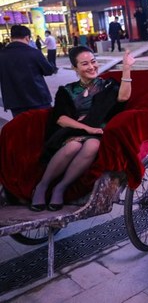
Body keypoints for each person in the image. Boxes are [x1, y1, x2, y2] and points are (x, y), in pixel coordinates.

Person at [29, 46, 135, 211]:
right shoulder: (67, 90)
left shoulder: (107, 85)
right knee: (73, 146)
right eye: (85, 64)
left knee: (93, 144)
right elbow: (62, 119)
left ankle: (61, 188)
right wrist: (87, 128)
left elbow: (123, 97)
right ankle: (42, 186)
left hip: (99, 132)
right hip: (73, 132)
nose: (92, 67)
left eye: (93, 62)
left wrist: (126, 68)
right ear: (75, 68)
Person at [0, 25, 54, 118]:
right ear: (27, 37)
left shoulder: (2, 55)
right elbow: (48, 71)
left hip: (15, 102)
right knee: (45, 127)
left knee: (23, 129)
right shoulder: (34, 52)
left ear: (11, 38)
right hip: (38, 99)